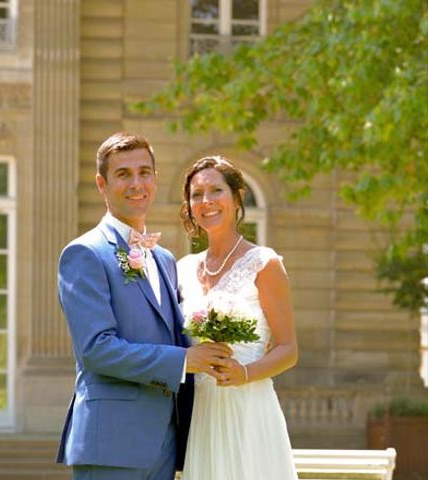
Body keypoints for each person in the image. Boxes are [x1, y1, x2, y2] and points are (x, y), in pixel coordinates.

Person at [56, 133, 232, 480]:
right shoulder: (84, 253)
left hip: (166, 443)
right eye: (123, 174)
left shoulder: (165, 260)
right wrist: (184, 361)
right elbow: (96, 349)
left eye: (144, 172)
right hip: (110, 444)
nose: (136, 184)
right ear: (101, 184)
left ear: (154, 178)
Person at [177, 155, 299, 480]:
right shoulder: (183, 269)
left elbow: (288, 349)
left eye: (215, 190)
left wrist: (244, 373)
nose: (206, 201)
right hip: (202, 414)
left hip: (250, 410)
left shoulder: (264, 264)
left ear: (237, 197)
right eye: (196, 194)